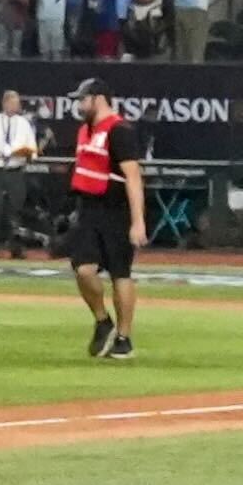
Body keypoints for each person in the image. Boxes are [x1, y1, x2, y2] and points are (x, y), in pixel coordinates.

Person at [60, 80, 150, 361]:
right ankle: (103, 322)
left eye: (82, 100)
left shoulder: (119, 131)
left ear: (98, 99)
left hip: (116, 211)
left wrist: (138, 221)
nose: (78, 105)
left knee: (120, 273)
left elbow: (133, 178)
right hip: (88, 209)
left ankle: (124, 338)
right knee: (83, 270)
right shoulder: (86, 130)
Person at [0, 89, 42, 255]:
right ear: (5, 103)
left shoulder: (24, 123)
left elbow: (32, 147)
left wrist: (30, 155)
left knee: (16, 209)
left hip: (15, 170)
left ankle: (16, 248)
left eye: (18, 103)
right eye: (13, 102)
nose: (16, 106)